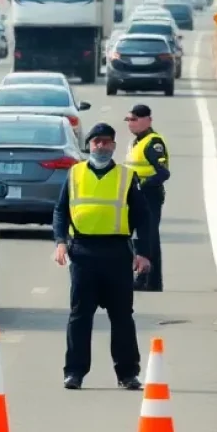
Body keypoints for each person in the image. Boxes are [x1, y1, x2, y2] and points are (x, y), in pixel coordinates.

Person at [53, 123, 152, 391]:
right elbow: (61, 211)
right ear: (89, 145)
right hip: (83, 252)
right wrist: (60, 242)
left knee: (122, 316)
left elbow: (143, 218)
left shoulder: (126, 177)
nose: (101, 146)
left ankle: (127, 373)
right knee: (80, 316)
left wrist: (143, 253)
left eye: (106, 142)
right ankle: (74, 372)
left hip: (117, 253)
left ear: (114, 146)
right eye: (96, 142)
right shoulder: (75, 174)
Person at [124, 104, 170, 292]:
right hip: (136, 195)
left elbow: (163, 173)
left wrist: (141, 185)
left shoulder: (153, 142)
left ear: (147, 120)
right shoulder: (136, 142)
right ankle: (147, 279)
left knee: (148, 237)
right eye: (129, 120)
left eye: (134, 119)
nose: (130, 124)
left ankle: (148, 280)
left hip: (149, 195)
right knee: (138, 237)